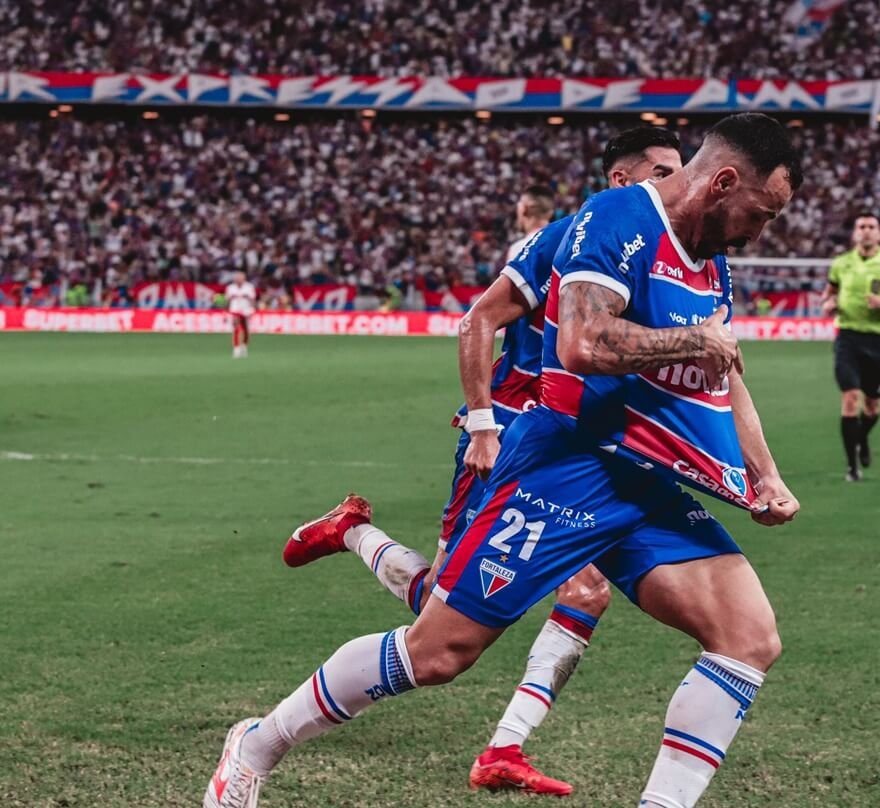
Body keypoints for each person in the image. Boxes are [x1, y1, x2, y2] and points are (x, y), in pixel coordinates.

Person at [204, 112, 802, 808]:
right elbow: (581, 342)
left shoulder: (711, 257)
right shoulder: (618, 219)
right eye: (761, 213)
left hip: (645, 482)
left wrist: (765, 475)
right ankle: (257, 744)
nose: (762, 231)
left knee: (748, 637)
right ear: (724, 182)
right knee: (437, 652)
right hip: (566, 467)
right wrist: (693, 341)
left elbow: (724, 373)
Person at [275, 126, 683, 797]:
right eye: (664, 173)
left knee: (568, 592)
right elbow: (480, 321)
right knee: (448, 607)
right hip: (513, 436)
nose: (678, 185)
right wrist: (485, 426)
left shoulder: (654, 251)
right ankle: (353, 533)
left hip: (568, 448)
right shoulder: (568, 239)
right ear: (623, 180)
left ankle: (503, 747)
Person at [819, 212, 880, 481]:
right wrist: (828, 304)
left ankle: (862, 437)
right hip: (847, 337)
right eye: (862, 226)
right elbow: (829, 294)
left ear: (879, 234)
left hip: (876, 340)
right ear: (855, 233)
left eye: (872, 227)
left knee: (872, 407)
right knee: (850, 398)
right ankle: (852, 467)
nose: (866, 230)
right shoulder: (841, 264)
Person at [225, 271, 257, 358]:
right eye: (237, 278)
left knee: (245, 329)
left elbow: (253, 299)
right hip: (235, 309)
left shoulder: (249, 287)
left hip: (246, 310)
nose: (238, 279)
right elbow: (227, 300)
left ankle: (244, 346)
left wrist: (251, 305)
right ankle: (236, 348)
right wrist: (226, 308)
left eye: (240, 278)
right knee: (236, 328)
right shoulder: (230, 287)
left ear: (244, 278)